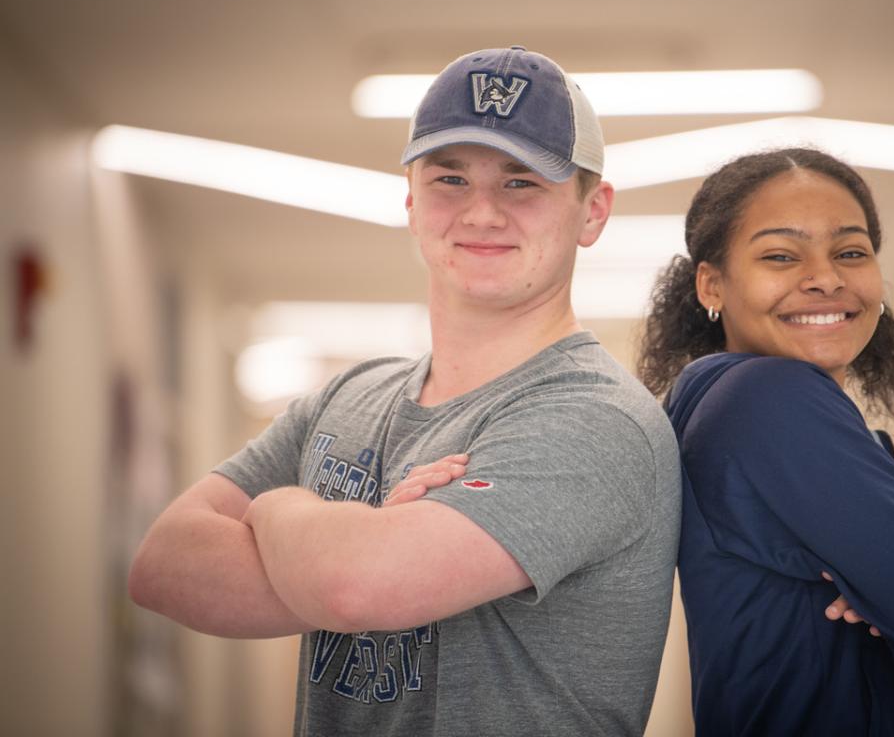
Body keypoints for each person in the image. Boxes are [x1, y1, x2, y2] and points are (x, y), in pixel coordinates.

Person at [128, 46, 682, 737]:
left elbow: (357, 587)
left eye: (521, 184)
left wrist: (283, 509)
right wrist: (349, 544)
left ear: (592, 212)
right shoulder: (351, 395)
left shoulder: (597, 419)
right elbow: (162, 565)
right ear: (412, 203)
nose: (481, 212)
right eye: (450, 178)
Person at [638, 147, 894, 736]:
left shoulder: (736, 411)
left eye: (851, 252)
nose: (826, 278)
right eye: (781, 255)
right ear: (712, 284)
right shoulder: (768, 399)